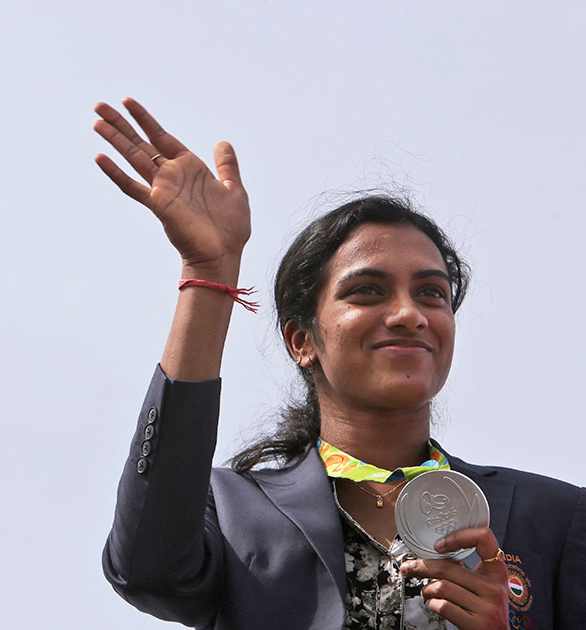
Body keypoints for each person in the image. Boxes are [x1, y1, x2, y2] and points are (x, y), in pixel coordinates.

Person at [93, 99, 585, 629]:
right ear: (302, 340)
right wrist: (210, 270)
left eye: (431, 293)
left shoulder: (554, 518)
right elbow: (147, 570)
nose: (408, 314)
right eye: (367, 291)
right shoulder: (232, 510)